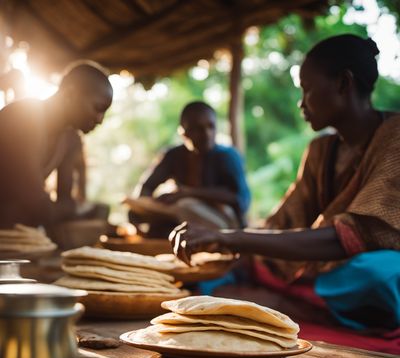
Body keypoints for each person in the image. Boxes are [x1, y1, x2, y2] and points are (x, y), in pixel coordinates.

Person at [170, 34, 400, 330]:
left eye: (307, 90)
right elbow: (284, 221)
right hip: (323, 271)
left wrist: (230, 236)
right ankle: (296, 304)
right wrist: (230, 245)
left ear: (343, 83)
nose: (301, 103)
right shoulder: (320, 150)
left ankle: (283, 303)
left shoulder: (394, 139)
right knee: (223, 268)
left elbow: (349, 239)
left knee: (377, 275)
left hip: (358, 271)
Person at [0, 61, 113, 228]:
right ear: (70, 93)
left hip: (18, 231)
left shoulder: (71, 140)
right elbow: (39, 206)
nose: (100, 119)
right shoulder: (24, 117)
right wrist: (63, 209)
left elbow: (61, 203)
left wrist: (59, 209)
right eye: (98, 108)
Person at [126, 101, 251, 238]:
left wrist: (188, 193)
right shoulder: (173, 155)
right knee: (136, 211)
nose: (207, 134)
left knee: (186, 206)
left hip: (223, 223)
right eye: (198, 128)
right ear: (183, 132)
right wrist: (149, 207)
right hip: (180, 216)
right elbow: (147, 187)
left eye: (211, 126)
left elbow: (240, 200)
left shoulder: (228, 156)